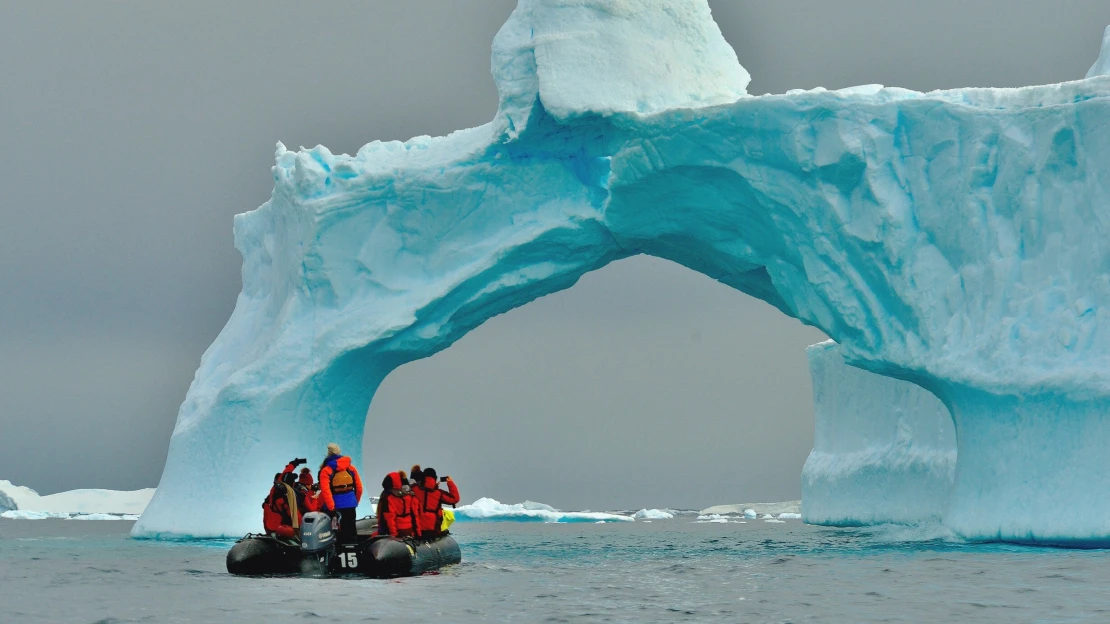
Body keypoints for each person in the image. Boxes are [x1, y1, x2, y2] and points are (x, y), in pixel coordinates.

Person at [318, 443, 363, 544]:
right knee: (350, 531)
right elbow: (359, 488)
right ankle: (352, 552)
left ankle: (334, 555)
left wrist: (331, 507)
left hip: (333, 507)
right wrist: (354, 501)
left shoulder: (326, 470)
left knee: (331, 533)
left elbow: (326, 491)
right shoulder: (351, 468)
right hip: (350, 505)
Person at [413, 467, 460, 537]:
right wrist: (450, 483)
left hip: (416, 530)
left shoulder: (414, 489)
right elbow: (455, 499)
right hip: (433, 530)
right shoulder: (439, 493)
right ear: (435, 478)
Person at [377, 471, 420, 538]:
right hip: (409, 530)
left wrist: (393, 535)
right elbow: (415, 516)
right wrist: (417, 533)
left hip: (397, 532)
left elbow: (390, 518)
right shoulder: (409, 496)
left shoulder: (388, 497)